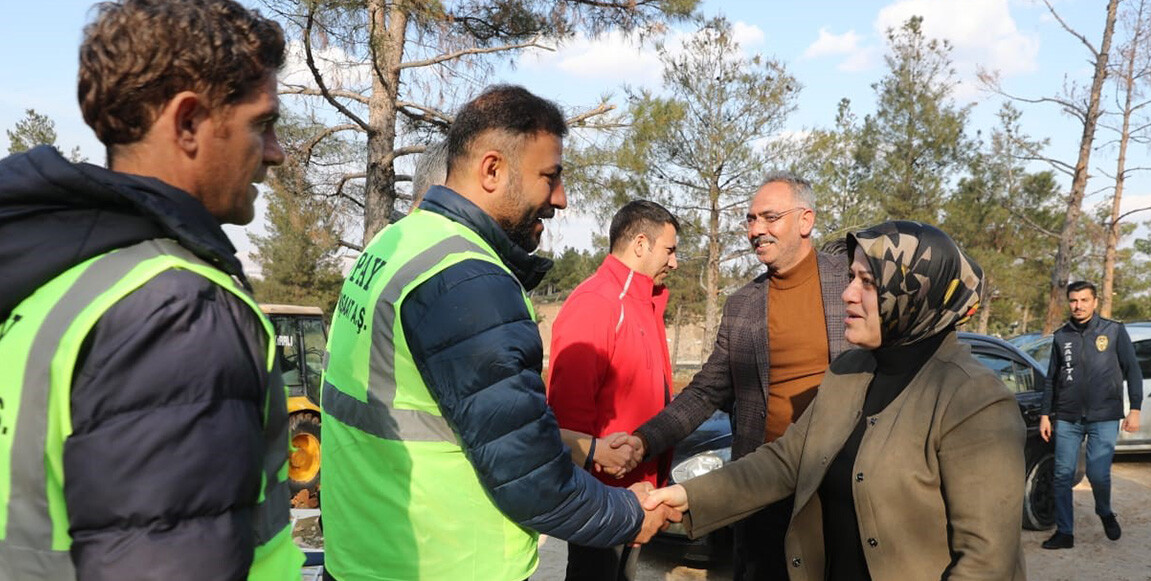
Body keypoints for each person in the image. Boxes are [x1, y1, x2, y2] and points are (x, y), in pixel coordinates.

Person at [0, 1, 302, 579]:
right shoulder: (179, 313)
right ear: (187, 124)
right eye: (262, 124)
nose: (277, 152)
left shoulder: (48, 279)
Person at [319, 85, 676, 581]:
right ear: (492, 170)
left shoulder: (397, 243)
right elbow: (532, 480)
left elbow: (461, 422)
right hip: (446, 563)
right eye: (549, 177)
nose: (561, 199)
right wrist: (631, 515)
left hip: (368, 555)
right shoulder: (469, 281)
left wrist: (589, 451)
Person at [645, 221, 1027, 581]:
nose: (848, 293)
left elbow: (985, 561)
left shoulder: (974, 400)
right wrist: (684, 496)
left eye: (868, 282)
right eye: (850, 278)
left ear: (914, 294)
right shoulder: (850, 370)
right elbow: (786, 462)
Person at [629, 172, 849, 581]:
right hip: (762, 491)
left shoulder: (853, 283)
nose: (756, 230)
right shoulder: (742, 305)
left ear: (806, 220)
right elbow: (706, 391)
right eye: (750, 220)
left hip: (839, 487)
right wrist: (644, 439)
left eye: (769, 217)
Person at [547, 200, 681, 581]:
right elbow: (566, 418)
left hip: (638, 495)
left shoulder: (644, 302)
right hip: (603, 501)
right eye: (669, 250)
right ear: (640, 244)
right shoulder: (597, 303)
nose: (674, 262)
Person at [1039, 281, 1143, 549]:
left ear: (1095, 302)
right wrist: (1045, 415)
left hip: (1104, 415)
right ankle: (1065, 532)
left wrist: (1135, 408)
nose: (1078, 306)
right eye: (1073, 301)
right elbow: (1052, 378)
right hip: (1067, 416)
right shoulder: (1062, 336)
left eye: (1084, 300)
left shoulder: (1114, 331)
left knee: (1098, 474)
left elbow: (1133, 370)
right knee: (1062, 474)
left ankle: (1105, 512)